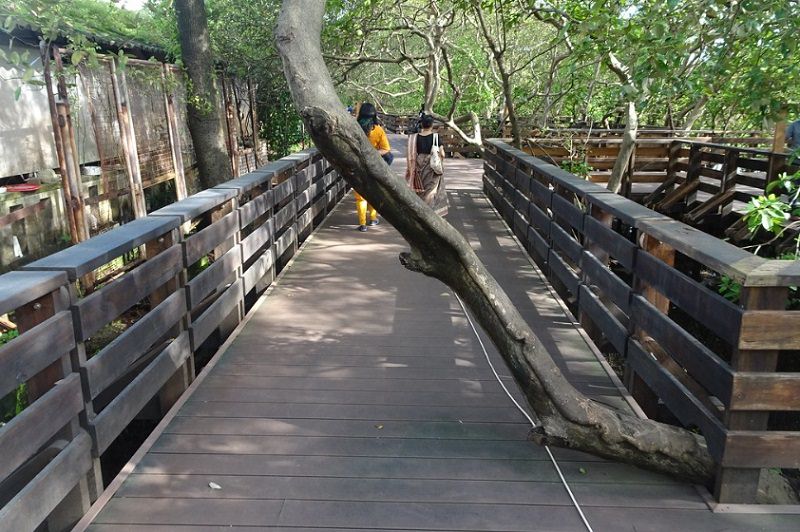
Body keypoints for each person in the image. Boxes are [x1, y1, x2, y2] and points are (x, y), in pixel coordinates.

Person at [354, 102, 392, 231]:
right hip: (373, 167)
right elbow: (386, 149)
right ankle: (373, 218)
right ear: (374, 114)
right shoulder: (378, 130)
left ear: (361, 114)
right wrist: (372, 154)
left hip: (357, 166)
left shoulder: (354, 128)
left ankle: (362, 224)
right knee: (373, 193)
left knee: (360, 197)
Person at [405, 113, 448, 216]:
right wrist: (439, 161)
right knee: (430, 190)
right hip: (432, 165)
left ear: (421, 124)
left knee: (419, 189)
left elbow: (409, 154)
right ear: (432, 125)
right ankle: (428, 214)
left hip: (418, 163)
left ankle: (420, 211)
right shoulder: (436, 137)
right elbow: (442, 154)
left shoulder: (414, 137)